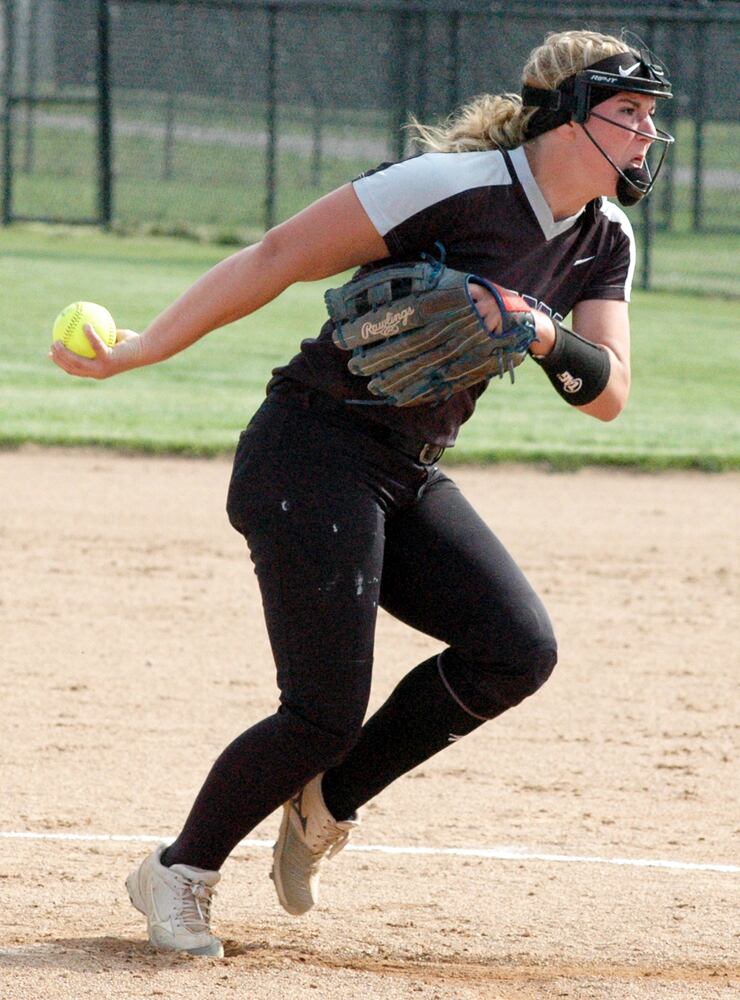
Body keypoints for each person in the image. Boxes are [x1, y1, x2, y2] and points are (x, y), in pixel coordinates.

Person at [50, 29, 673, 958]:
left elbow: (610, 394)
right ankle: (178, 873)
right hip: (310, 448)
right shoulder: (448, 186)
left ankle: (325, 805)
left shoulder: (602, 236)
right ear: (566, 116)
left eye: (652, 119)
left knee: (515, 648)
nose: (645, 136)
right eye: (627, 113)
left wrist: (538, 330)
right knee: (323, 709)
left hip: (407, 466)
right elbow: (276, 256)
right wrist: (142, 350)